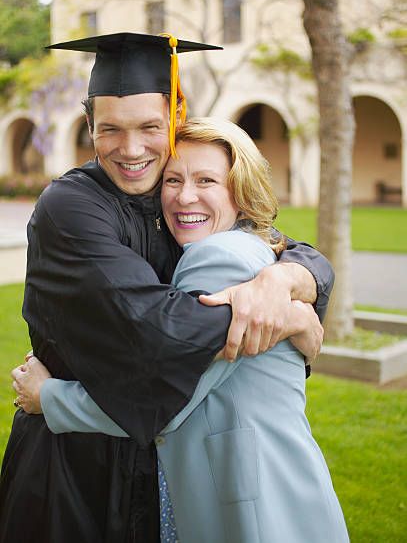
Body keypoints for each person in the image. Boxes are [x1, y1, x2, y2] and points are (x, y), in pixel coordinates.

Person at [1, 33, 333, 543]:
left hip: (162, 466)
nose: (131, 149)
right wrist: (289, 316)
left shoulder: (174, 190)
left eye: (149, 127)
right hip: (77, 468)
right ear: (88, 124)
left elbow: (276, 245)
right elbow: (158, 334)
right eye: (109, 129)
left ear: (176, 116)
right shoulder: (71, 208)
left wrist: (294, 277)